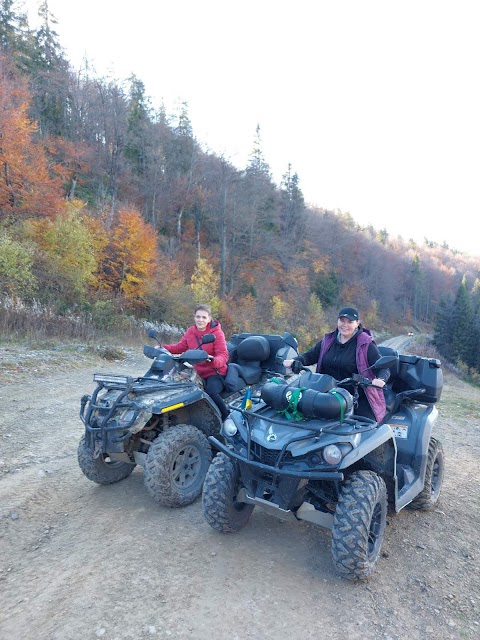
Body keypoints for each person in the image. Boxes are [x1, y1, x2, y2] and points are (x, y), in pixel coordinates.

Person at [283, 306, 390, 422]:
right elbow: (310, 355)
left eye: (350, 322)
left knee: (365, 429)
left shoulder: (365, 344)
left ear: (357, 323)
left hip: (355, 395)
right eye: (342, 321)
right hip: (325, 394)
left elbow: (383, 367)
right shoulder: (328, 340)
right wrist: (296, 361)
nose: (345, 325)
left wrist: (381, 379)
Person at [162, 304, 230, 420]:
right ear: (194, 317)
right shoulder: (191, 331)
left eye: (204, 317)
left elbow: (223, 355)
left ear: (209, 318)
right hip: (197, 372)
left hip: (214, 372)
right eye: (198, 317)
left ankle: (226, 418)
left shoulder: (217, 333)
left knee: (210, 393)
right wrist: (163, 348)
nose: (200, 320)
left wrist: (212, 360)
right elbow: (180, 347)